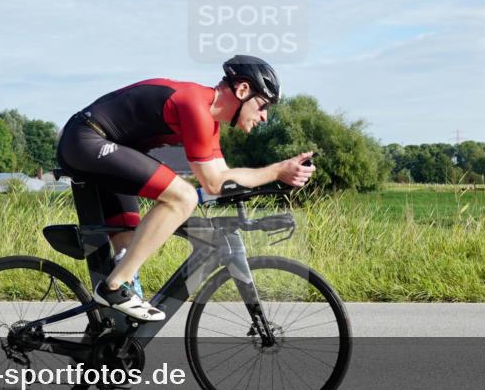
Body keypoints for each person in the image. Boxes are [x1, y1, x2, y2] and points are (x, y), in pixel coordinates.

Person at [55, 55, 315, 321]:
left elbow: (221, 179)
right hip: (86, 139)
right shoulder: (195, 105)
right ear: (243, 90)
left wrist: (278, 179)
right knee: (182, 197)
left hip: (107, 148)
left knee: (128, 245)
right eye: (262, 105)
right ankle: (112, 290)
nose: (264, 117)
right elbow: (212, 183)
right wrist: (277, 171)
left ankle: (111, 335)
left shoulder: (209, 122)